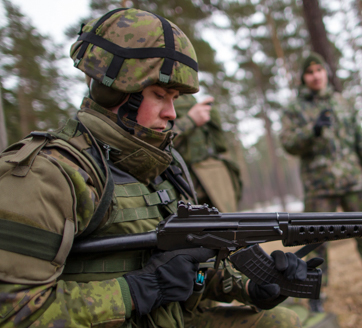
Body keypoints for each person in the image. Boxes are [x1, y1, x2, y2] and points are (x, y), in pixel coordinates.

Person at [0, 9, 319, 327]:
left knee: (280, 321)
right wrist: (137, 291)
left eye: (175, 98)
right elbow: (14, 312)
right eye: (159, 95)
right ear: (114, 92)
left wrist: (252, 286)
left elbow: (189, 270)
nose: (172, 113)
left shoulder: (167, 167)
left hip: (169, 318)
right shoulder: (48, 175)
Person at [279, 53, 362, 312]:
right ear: (304, 78)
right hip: (320, 185)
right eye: (310, 72)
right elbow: (288, 143)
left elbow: (361, 137)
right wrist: (312, 131)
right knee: (316, 238)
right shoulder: (295, 108)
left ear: (326, 72)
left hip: (353, 181)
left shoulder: (342, 103)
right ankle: (315, 294)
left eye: (319, 69)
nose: (315, 75)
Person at [173, 95, 242, 213]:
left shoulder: (189, 97)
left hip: (214, 174)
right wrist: (190, 120)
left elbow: (220, 146)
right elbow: (156, 140)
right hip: (183, 180)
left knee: (227, 223)